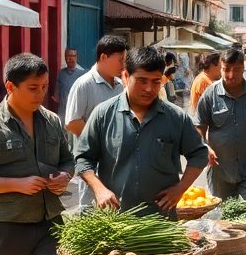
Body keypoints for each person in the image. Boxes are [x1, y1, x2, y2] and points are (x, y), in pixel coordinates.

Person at [0, 53, 75, 255]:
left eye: (44, 86)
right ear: (10, 87)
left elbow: (68, 161)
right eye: (33, 88)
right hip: (6, 226)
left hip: (49, 222)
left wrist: (64, 177)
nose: (40, 93)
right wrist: (17, 184)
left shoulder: (51, 121)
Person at [76, 46, 210, 217]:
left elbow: (199, 154)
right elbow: (83, 158)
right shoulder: (103, 114)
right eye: (142, 80)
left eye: (155, 82)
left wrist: (180, 188)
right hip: (114, 220)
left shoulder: (176, 117)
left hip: (160, 221)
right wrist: (99, 188)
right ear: (125, 76)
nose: (149, 89)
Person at [196, 48, 246, 208]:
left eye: (237, 70)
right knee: (220, 215)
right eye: (226, 70)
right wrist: (204, 147)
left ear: (243, 68)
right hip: (220, 167)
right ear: (221, 68)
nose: (231, 75)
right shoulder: (210, 94)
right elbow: (199, 126)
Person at [64, 34, 127, 136]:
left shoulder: (120, 86)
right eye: (120, 60)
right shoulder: (84, 84)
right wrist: (100, 143)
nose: (123, 65)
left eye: (125, 60)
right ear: (103, 57)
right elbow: (72, 123)